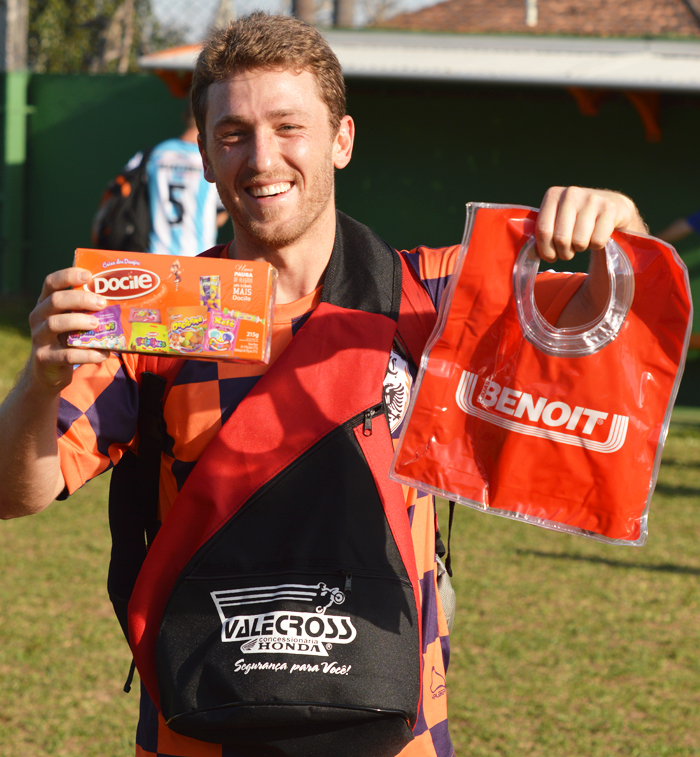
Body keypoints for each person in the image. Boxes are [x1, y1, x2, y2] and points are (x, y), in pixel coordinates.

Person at [0, 12, 648, 757]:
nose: (261, 157)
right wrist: (38, 384)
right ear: (205, 155)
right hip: (199, 729)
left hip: (394, 730)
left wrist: (619, 230)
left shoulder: (429, 297)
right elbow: (15, 491)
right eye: (233, 133)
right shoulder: (155, 314)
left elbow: (610, 332)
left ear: (341, 139)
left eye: (288, 126)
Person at [142, 107, 229, 256]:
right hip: (199, 257)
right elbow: (222, 214)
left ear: (184, 116)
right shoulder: (211, 160)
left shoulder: (154, 154)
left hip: (155, 258)